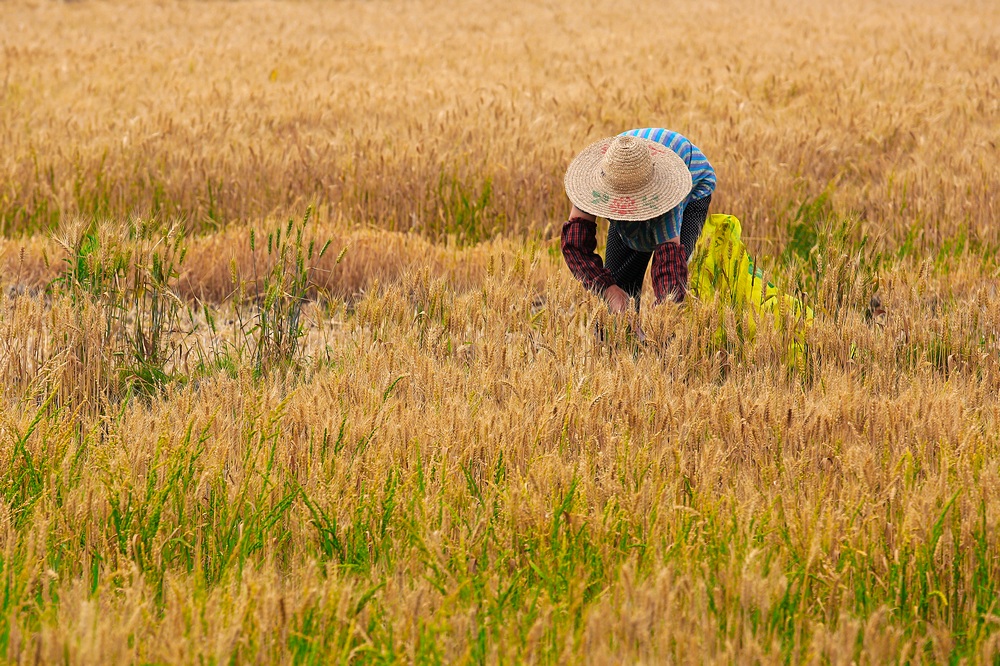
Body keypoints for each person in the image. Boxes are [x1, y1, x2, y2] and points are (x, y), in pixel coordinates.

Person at [561, 128, 716, 314]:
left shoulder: (666, 196)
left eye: (632, 207)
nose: (628, 211)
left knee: (675, 293)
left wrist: (663, 317)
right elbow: (575, 245)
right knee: (618, 287)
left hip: (692, 185)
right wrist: (608, 290)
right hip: (630, 172)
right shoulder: (598, 176)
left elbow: (670, 265)